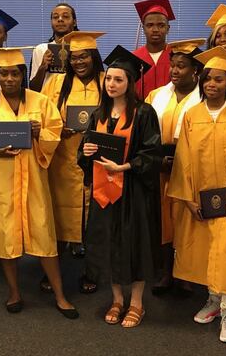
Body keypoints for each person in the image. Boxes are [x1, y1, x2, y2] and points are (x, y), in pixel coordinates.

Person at [0, 46, 79, 319]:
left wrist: (41, 133)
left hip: (34, 179)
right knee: (5, 236)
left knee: (44, 233)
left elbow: (56, 132)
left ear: (23, 74)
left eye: (15, 73)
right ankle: (14, 291)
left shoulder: (40, 101)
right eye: (4, 74)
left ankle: (60, 295)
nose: (9, 79)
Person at [167, 46, 226, 343]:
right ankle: (214, 300)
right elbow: (183, 158)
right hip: (201, 198)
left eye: (219, 79)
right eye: (208, 79)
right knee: (208, 250)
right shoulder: (193, 115)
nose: (212, 84)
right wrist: (189, 198)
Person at [78, 45, 162, 328]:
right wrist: (87, 152)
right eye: (109, 79)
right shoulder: (97, 114)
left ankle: (137, 303)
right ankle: (116, 299)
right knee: (109, 245)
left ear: (130, 83)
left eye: (118, 79)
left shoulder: (144, 113)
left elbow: (152, 153)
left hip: (132, 193)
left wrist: (125, 167)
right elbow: (83, 153)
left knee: (134, 246)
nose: (111, 84)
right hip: (104, 194)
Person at [41, 31, 105, 294]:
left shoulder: (105, 81)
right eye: (75, 58)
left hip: (96, 159)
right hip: (63, 158)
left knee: (93, 219)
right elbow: (44, 115)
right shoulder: (56, 83)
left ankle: (92, 271)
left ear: (94, 57)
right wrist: (59, 129)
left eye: (84, 57)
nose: (79, 62)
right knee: (59, 216)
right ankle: (54, 274)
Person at [144, 38, 205, 295]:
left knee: (187, 221)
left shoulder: (204, 98)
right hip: (159, 167)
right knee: (162, 221)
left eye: (182, 66)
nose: (175, 71)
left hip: (191, 170)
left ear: (196, 71)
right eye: (173, 65)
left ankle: (187, 273)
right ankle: (164, 272)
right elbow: (144, 132)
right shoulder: (156, 95)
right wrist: (157, 160)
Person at [29, 3, 79, 91]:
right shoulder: (41, 49)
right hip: (46, 101)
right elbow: (33, 89)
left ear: (74, 22)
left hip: (75, 100)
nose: (60, 19)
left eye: (65, 16)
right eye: (55, 17)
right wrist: (43, 67)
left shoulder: (81, 49)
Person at [133, 0, 175, 98]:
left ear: (168, 28)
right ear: (143, 28)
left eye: (161, 25)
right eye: (150, 25)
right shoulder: (133, 58)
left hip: (170, 112)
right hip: (141, 112)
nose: (155, 29)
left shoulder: (176, 56)